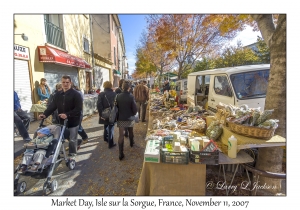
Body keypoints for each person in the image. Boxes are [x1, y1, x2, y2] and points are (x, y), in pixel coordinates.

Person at [39, 75, 82, 156]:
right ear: (61, 83)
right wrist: (45, 114)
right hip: (62, 120)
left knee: (72, 139)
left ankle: (72, 154)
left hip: (73, 120)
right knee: (64, 136)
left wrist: (67, 114)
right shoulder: (58, 95)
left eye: (67, 82)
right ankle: (77, 142)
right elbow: (52, 106)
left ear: (70, 83)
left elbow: (78, 109)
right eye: (63, 82)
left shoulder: (76, 94)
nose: (65, 84)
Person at [116, 80, 137, 160]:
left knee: (121, 135)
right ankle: (131, 143)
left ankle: (120, 153)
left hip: (121, 118)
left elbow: (115, 107)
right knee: (130, 131)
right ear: (129, 88)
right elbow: (134, 110)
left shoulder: (118, 96)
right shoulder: (131, 96)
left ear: (122, 87)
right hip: (129, 118)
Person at [97, 81, 117, 149]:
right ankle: (110, 143)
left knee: (105, 125)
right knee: (111, 127)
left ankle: (105, 138)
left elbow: (99, 105)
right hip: (112, 113)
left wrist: (101, 115)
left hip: (104, 113)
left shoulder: (101, 94)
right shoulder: (114, 94)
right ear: (111, 86)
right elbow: (116, 105)